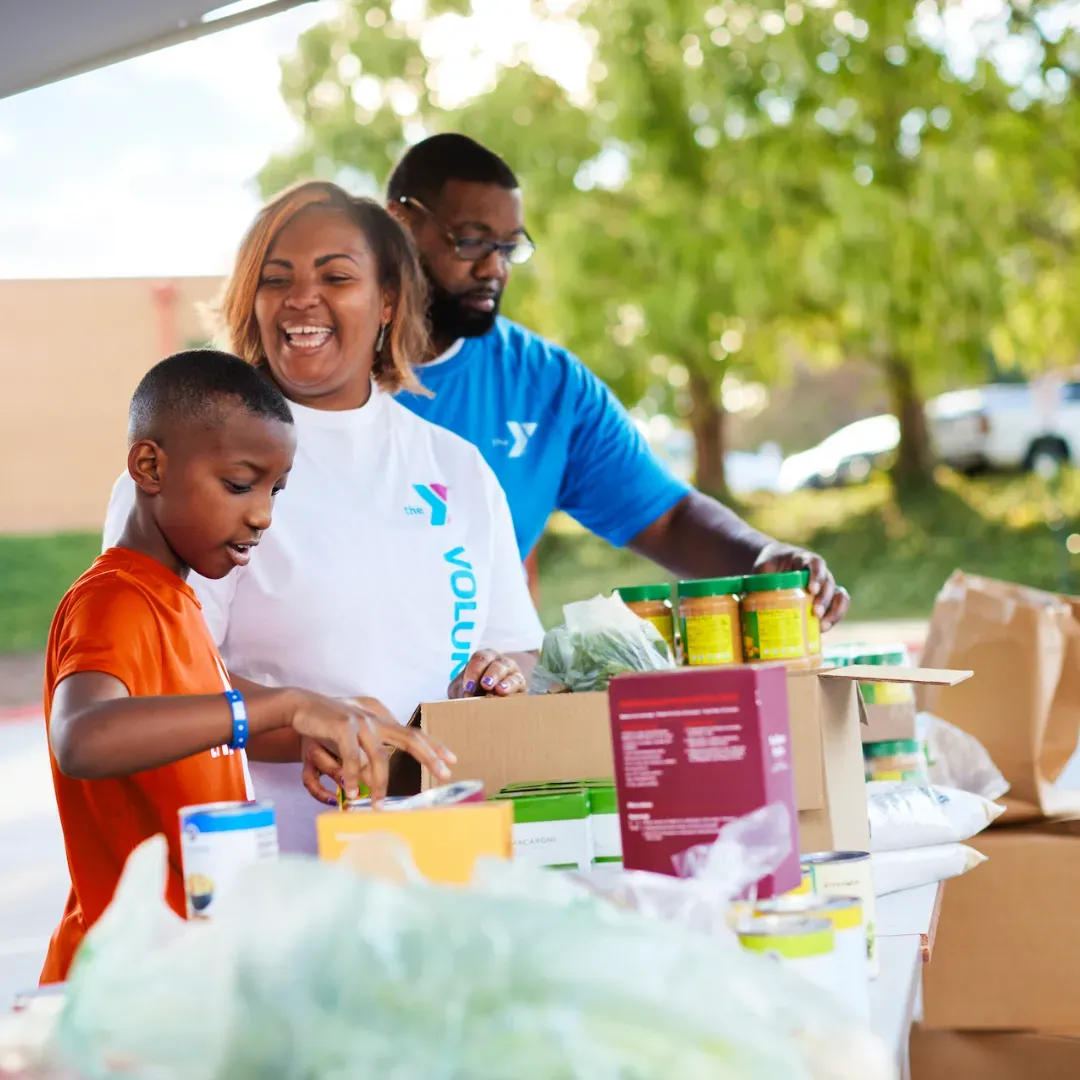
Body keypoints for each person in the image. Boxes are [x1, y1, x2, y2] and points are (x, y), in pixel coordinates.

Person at [103, 185, 544, 854]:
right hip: (256, 871)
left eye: (335, 276)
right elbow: (158, 686)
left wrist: (499, 672)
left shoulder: (457, 468)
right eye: (275, 281)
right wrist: (303, 725)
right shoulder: (190, 469)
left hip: (430, 858)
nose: (301, 298)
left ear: (389, 300)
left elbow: (515, 641)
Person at [45, 350, 453, 983]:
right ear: (149, 466)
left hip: (192, 970)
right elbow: (82, 737)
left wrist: (306, 734)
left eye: (275, 490)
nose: (262, 514)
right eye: (239, 485)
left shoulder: (176, 603)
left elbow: (196, 718)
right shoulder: (114, 601)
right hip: (129, 985)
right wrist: (285, 703)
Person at [388, 134, 850, 629]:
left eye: (508, 247)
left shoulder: (547, 386)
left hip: (479, 691)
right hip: (334, 693)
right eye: (472, 240)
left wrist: (763, 557)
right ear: (399, 222)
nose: (493, 268)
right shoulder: (322, 366)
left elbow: (666, 519)